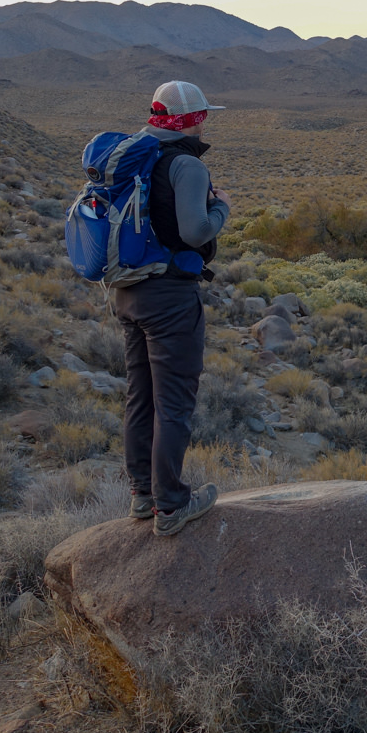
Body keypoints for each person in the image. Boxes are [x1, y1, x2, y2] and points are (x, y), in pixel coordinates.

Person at [112, 80, 231, 536]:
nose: (206, 122)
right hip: (169, 298)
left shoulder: (135, 156)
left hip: (129, 292)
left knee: (140, 395)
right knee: (174, 402)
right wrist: (221, 209)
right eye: (204, 115)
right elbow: (197, 231)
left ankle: (142, 495)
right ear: (193, 120)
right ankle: (171, 506)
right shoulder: (185, 164)